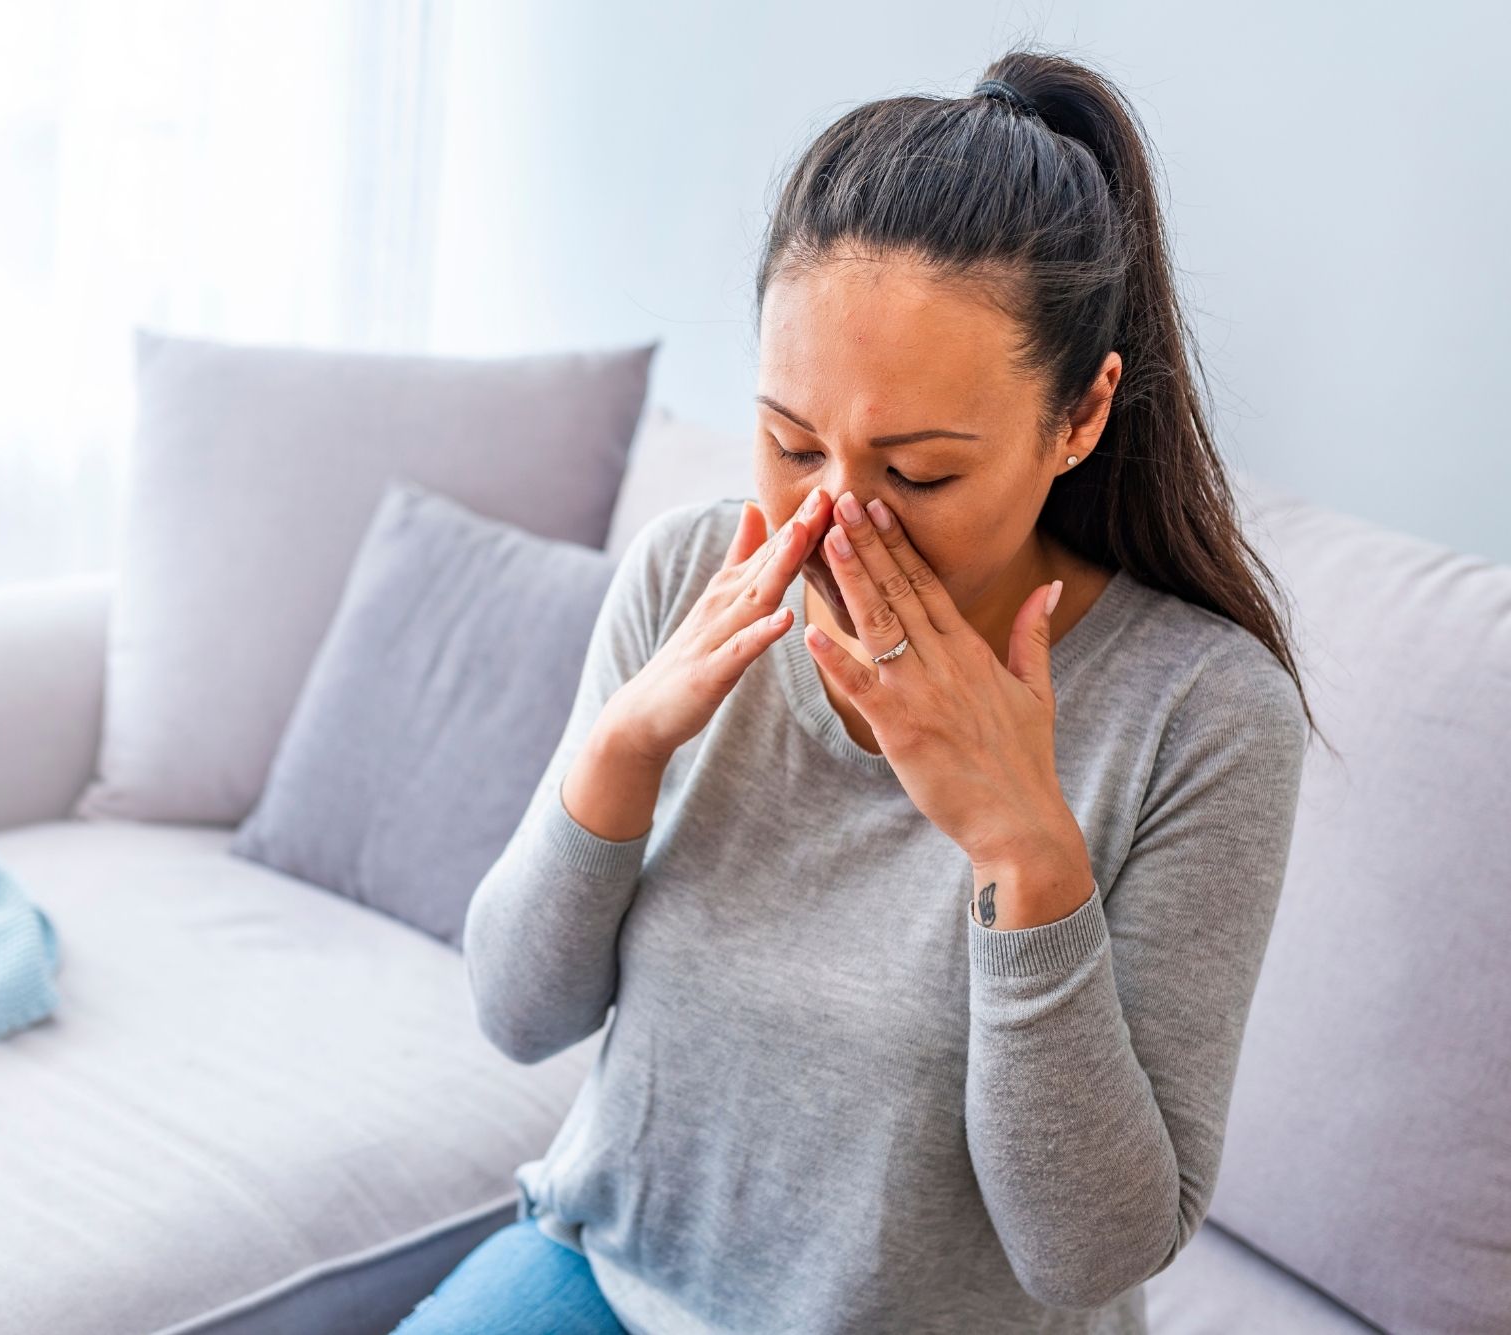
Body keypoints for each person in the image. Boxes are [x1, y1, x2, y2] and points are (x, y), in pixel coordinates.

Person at [395, 46, 1325, 1335]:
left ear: (1081, 416)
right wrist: (617, 759)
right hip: (606, 1278)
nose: (835, 523)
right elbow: (515, 1015)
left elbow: (1092, 1253)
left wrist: (1024, 851)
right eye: (788, 442)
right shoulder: (685, 574)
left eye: (923, 473)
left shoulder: (1202, 715)